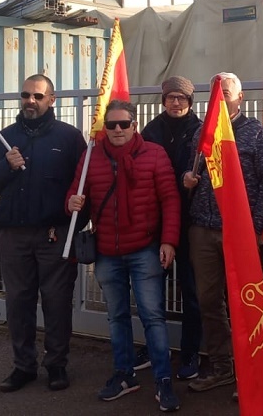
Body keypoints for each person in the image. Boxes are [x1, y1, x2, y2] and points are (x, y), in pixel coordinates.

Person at [66, 99, 182, 412]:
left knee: (152, 317)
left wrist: (169, 241)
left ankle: (163, 379)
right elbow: (76, 192)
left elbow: (171, 200)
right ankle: (124, 374)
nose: (118, 130)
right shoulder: (91, 156)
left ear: (134, 125)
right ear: (105, 127)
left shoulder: (154, 154)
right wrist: (72, 202)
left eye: (124, 124)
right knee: (116, 317)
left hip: (145, 249)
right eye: (112, 125)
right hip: (106, 252)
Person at [0, 74, 86, 393]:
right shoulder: (4, 138)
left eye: (38, 96)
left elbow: (84, 186)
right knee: (19, 302)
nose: (30, 101)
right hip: (13, 236)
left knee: (56, 301)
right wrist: (6, 165)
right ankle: (23, 366)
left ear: (52, 100)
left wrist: (69, 228)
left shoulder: (69, 138)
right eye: (25, 95)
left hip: (54, 236)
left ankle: (56, 365)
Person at [182, 72, 263, 393]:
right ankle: (222, 368)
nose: (220, 98)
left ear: (240, 98)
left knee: (245, 303)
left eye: (226, 92)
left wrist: (254, 226)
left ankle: (251, 373)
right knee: (209, 302)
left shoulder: (257, 134)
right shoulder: (200, 133)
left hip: (240, 233)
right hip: (203, 230)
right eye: (215, 93)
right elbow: (191, 175)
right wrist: (188, 183)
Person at [140, 76, 204, 381]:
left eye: (181, 98)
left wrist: (195, 182)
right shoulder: (150, 131)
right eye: (170, 98)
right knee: (151, 288)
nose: (175, 103)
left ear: (190, 102)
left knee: (192, 291)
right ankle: (155, 347)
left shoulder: (203, 130)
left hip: (192, 222)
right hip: (157, 221)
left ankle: (191, 352)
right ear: (163, 101)